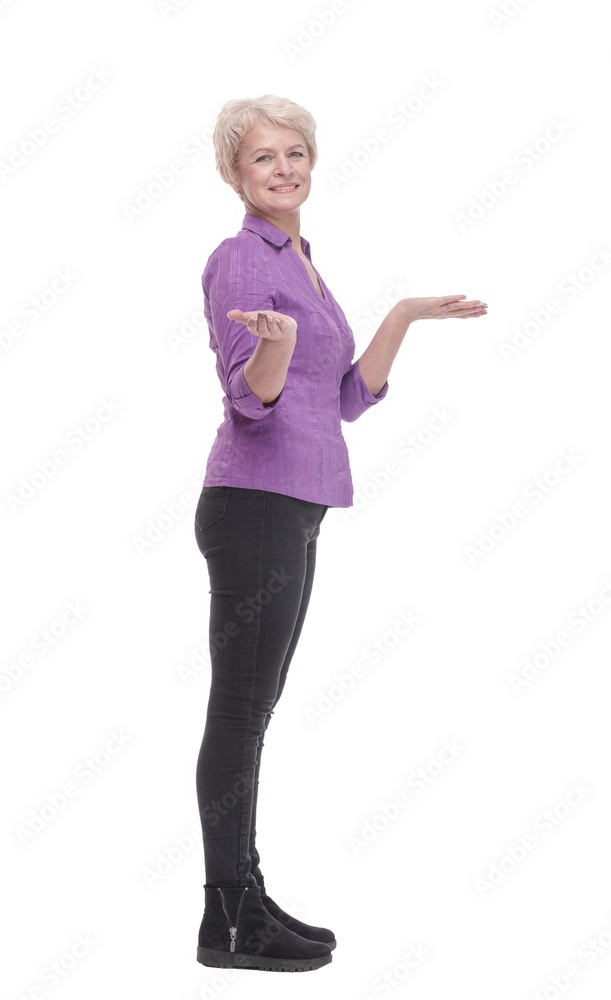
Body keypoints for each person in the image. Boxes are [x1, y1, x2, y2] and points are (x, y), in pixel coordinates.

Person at [194, 94, 487, 974]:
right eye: (262, 157)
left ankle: (243, 900)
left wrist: (398, 317)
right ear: (234, 174)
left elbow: (344, 401)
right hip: (252, 503)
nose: (282, 168)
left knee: (255, 709)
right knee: (239, 710)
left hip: (294, 505)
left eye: (294, 152)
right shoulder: (240, 259)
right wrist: (275, 346)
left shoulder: (303, 263)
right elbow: (251, 397)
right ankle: (229, 917)